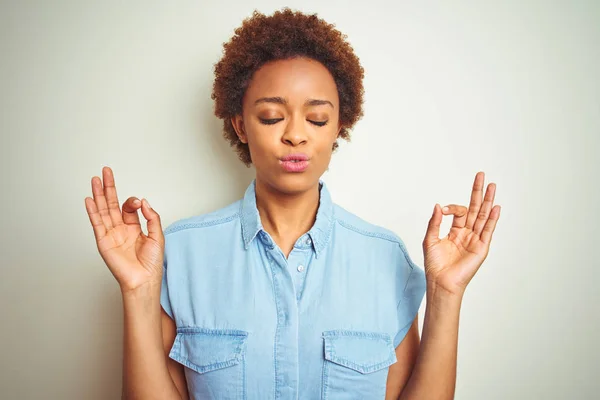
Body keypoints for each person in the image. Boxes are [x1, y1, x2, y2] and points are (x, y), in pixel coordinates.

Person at [84, 8, 501, 400]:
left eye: (317, 119)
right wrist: (138, 292)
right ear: (240, 125)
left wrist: (447, 294)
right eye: (271, 117)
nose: (296, 136)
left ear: (340, 125)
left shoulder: (384, 257)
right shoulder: (179, 254)